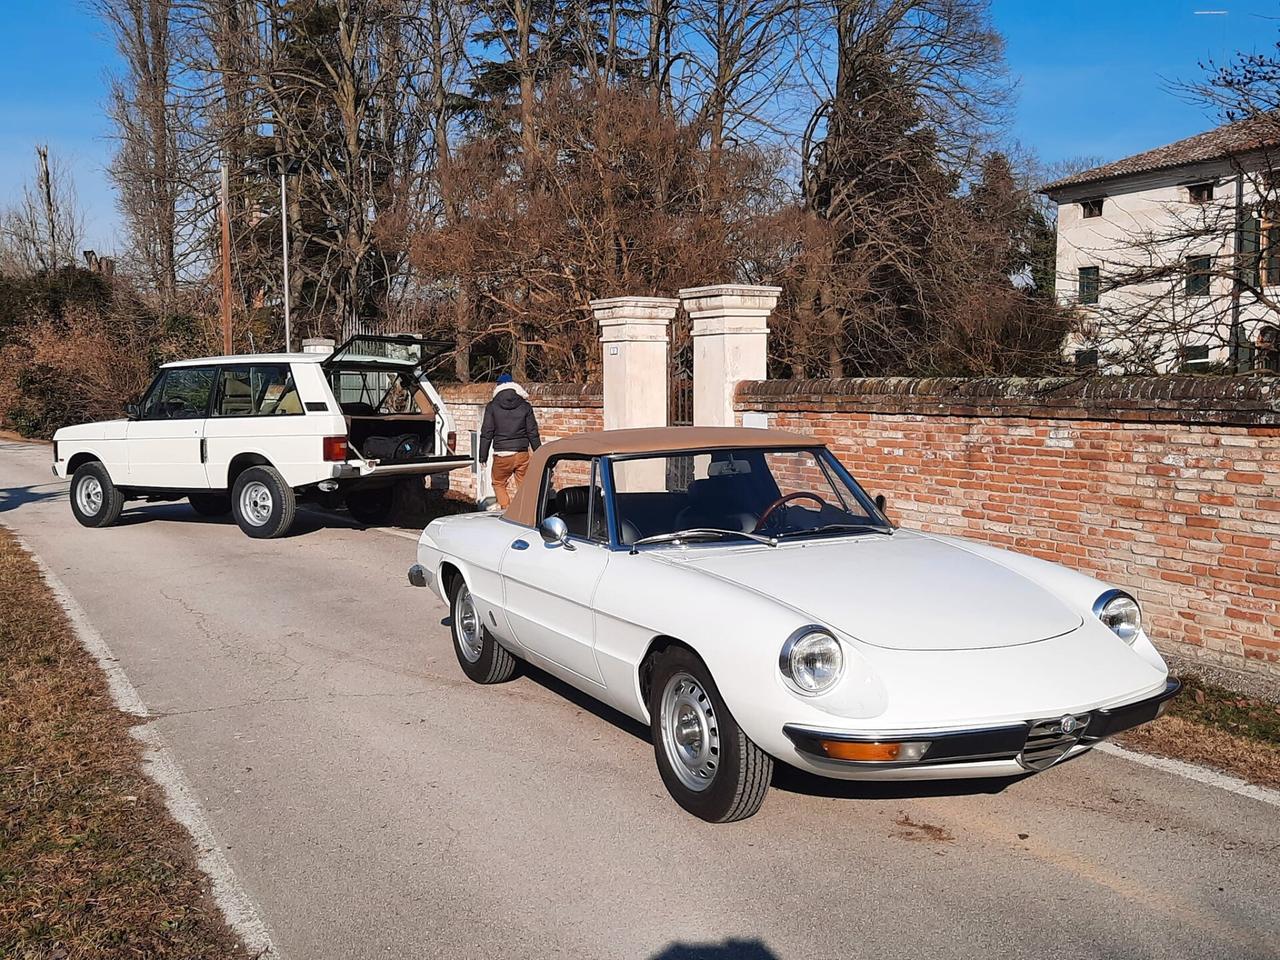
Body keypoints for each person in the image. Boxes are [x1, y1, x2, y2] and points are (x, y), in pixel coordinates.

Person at [479, 373, 541, 510]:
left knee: (498, 483)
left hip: (502, 454)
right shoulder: (525, 406)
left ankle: (506, 509)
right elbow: (532, 432)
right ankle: (526, 511)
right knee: (524, 484)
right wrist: (539, 451)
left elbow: (487, 433)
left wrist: (482, 456)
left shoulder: (492, 406)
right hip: (522, 453)